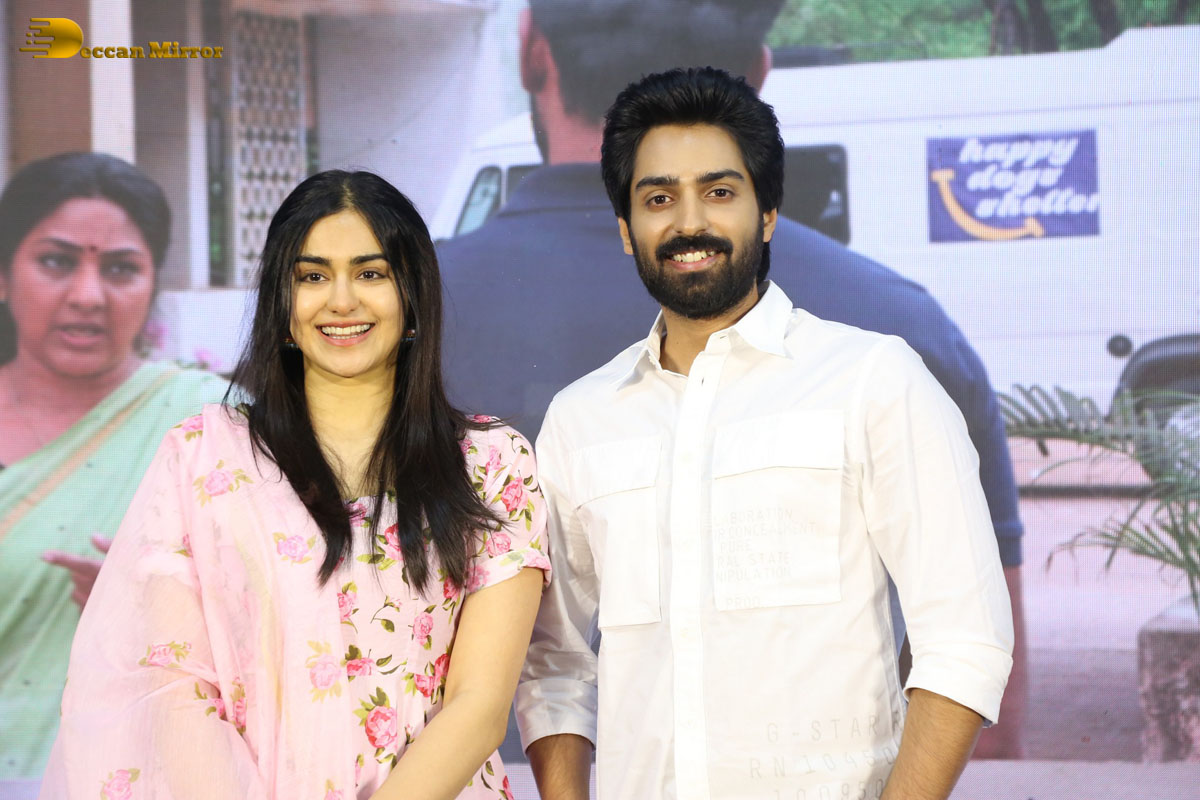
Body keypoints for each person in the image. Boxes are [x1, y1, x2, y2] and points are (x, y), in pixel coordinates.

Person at [437, 0, 1026, 759]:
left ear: (530, 51)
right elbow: (989, 707)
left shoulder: (387, 323)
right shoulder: (907, 327)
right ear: (758, 73)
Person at [37, 170, 551, 798]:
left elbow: (480, 704)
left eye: (371, 273)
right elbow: (169, 685)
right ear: (282, 306)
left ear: (412, 296)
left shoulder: (491, 462)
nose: (342, 300)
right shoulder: (203, 459)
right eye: (312, 276)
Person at [0, 152, 227, 780]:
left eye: (121, 269)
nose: (87, 296)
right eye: (56, 262)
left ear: (152, 285)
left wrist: (158, 614)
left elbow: (296, 619)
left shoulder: (208, 424)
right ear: (4, 274)